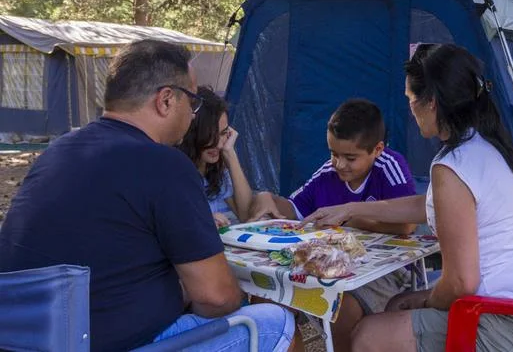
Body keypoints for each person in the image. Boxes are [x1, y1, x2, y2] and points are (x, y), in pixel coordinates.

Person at [0, 40, 295, 352]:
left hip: (25, 339)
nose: (194, 115)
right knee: (276, 322)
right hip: (99, 344)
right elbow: (216, 297)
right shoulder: (164, 163)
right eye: (192, 103)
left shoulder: (58, 151)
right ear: (166, 100)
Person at [300, 44, 513, 352]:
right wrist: (349, 208)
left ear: (431, 103)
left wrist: (423, 298)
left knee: (367, 335)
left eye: (411, 99)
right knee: (394, 309)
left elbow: (461, 283)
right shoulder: (489, 146)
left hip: (512, 325)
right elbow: (431, 205)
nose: (410, 108)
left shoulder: (453, 166)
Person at [249, 98, 417, 352]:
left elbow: (407, 227)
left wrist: (352, 218)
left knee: (341, 310)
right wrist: (267, 198)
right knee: (267, 297)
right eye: (333, 153)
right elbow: (295, 210)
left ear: (378, 149)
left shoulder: (390, 167)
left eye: (350, 157)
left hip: (386, 270)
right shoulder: (329, 173)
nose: (339, 164)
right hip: (331, 265)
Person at [179, 86, 255, 227]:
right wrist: (203, 220)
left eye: (223, 133)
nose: (219, 144)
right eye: (210, 136)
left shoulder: (216, 173)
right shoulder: (177, 173)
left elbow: (247, 216)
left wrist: (230, 153)